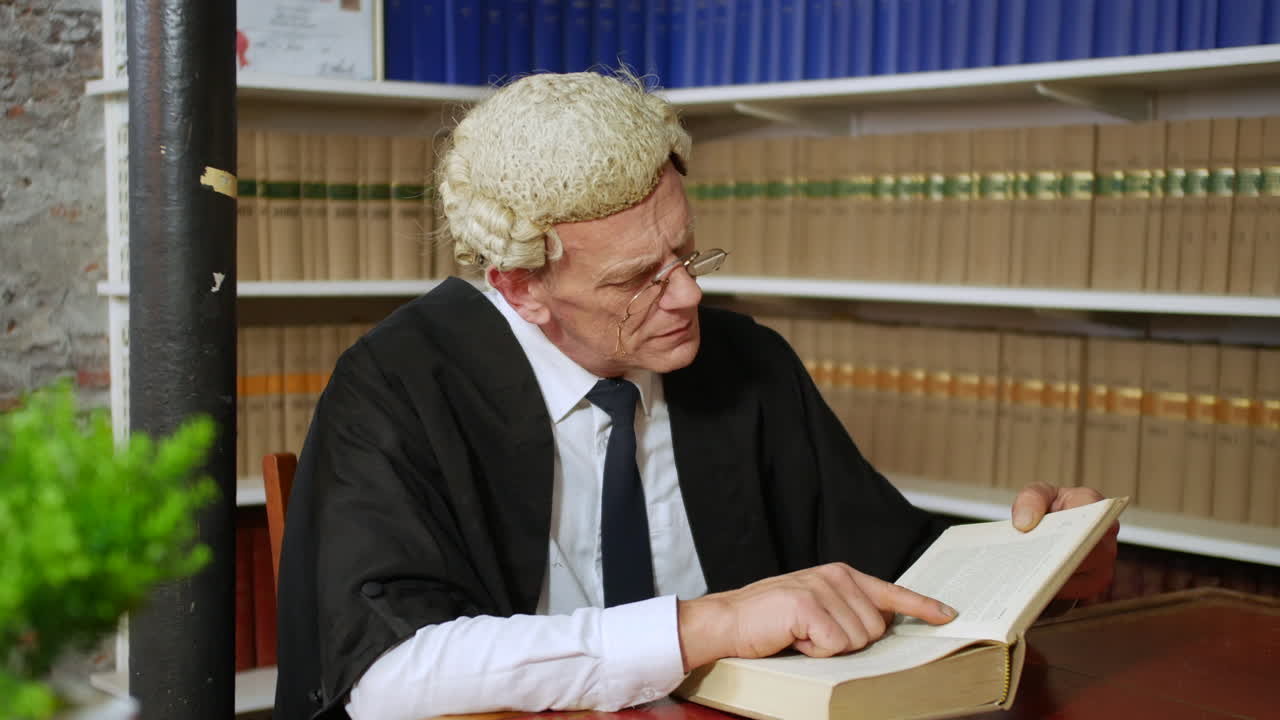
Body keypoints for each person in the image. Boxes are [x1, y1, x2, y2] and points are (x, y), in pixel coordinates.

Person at [274, 71, 1118, 720]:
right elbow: (390, 676)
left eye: (688, 254)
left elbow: (889, 566)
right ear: (519, 285)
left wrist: (1043, 555)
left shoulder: (743, 360)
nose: (687, 298)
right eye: (638, 279)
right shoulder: (399, 381)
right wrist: (704, 625)